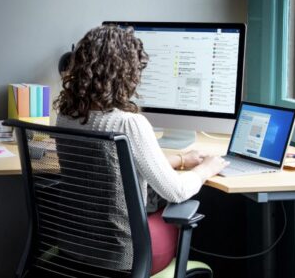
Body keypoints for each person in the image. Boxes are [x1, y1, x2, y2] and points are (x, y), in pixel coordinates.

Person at [54, 25, 229, 275]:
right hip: (123, 258)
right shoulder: (128, 123)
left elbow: (112, 164)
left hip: (72, 249)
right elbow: (177, 191)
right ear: (126, 73)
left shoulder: (66, 115)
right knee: (173, 208)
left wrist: (180, 158)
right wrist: (205, 169)